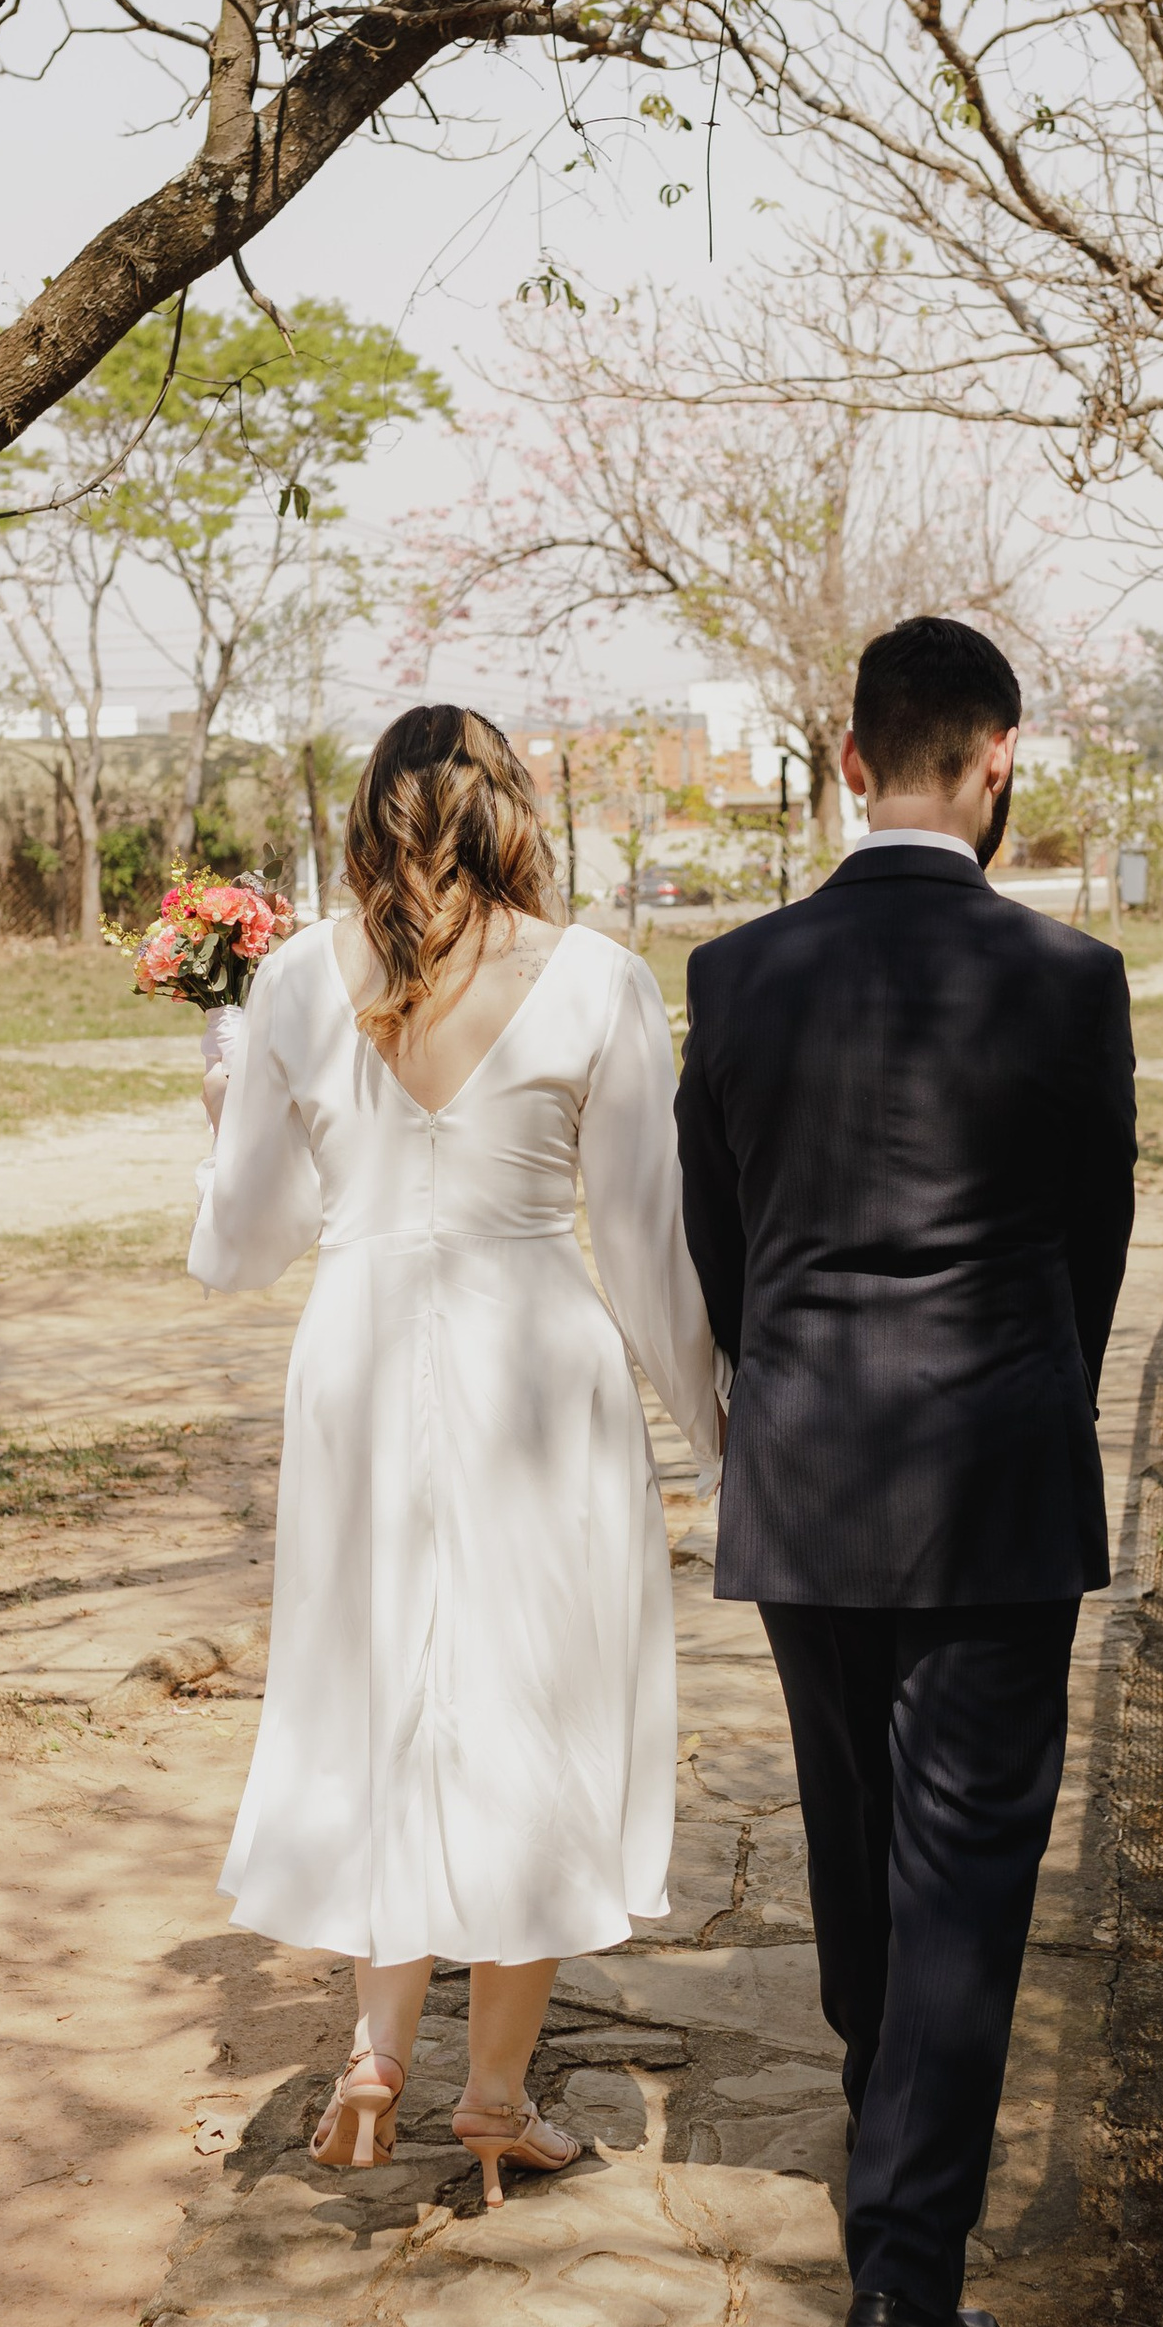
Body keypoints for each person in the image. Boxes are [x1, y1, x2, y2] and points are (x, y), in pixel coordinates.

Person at [675, 617, 1136, 2327]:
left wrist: (781, 1394)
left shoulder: (735, 972)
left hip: (803, 1471)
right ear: (996, 759)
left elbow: (725, 1250)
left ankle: (890, 2158)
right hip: (996, 1475)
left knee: (858, 1841)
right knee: (964, 1874)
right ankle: (903, 2290)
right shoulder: (1068, 976)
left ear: (848, 760)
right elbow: (1092, 1248)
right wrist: (1026, 1393)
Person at [191, 705, 722, 2208]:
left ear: (369, 815)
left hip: (357, 1357)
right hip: (533, 1361)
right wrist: (724, 1443)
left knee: (381, 1685)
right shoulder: (602, 979)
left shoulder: (295, 978)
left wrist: (226, 1106)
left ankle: (374, 2052)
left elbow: (239, 1249)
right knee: (527, 1697)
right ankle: (495, 2093)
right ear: (513, 814)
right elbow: (649, 1250)